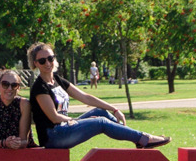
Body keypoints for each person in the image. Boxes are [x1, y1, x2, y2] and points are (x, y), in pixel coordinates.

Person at [27, 42, 169, 149]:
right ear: (35, 64)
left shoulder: (57, 80)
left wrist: (114, 109)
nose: (48, 63)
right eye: (42, 61)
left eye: (50, 58)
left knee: (100, 112)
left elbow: (85, 97)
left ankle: (138, 138)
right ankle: (144, 139)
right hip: (54, 136)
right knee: (100, 122)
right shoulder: (40, 87)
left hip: (65, 128)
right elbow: (54, 117)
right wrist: (77, 121)